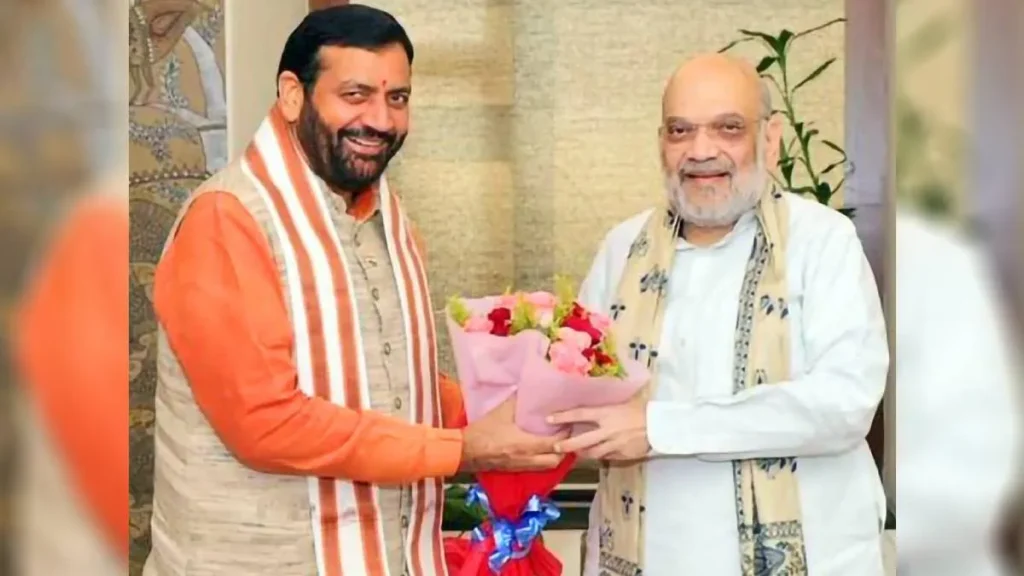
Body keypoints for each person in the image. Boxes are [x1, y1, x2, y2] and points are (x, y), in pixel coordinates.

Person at [145, 6, 560, 576]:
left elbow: (392, 380)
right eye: (356, 95)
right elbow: (266, 423)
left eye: (397, 98)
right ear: (293, 95)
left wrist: (517, 409)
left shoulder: (388, 219)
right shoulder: (228, 220)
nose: (381, 120)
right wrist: (464, 448)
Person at [548, 53, 890, 575]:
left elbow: (845, 403)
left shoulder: (822, 241)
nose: (700, 150)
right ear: (661, 143)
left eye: (728, 128)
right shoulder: (622, 248)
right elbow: (577, 390)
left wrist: (661, 427)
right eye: (680, 130)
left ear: (769, 140)